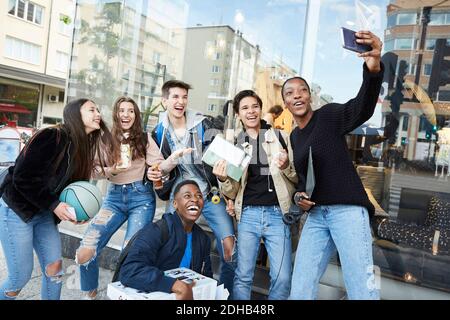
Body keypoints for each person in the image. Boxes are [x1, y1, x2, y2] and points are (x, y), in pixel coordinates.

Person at [283, 31, 384, 300]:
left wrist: (373, 68)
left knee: (361, 290)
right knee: (300, 287)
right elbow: (304, 181)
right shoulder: (294, 136)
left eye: (303, 90)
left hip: (347, 211)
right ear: (286, 103)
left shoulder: (327, 116)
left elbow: (362, 108)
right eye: (291, 92)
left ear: (310, 97)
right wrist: (299, 196)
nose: (298, 95)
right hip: (316, 216)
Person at [0, 98, 113, 300]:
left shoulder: (82, 148)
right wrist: (55, 204)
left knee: (55, 269)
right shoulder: (52, 136)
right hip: (17, 211)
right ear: (75, 115)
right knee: (19, 278)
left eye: (98, 110)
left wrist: (78, 213)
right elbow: (22, 177)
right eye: (92, 110)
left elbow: (72, 190)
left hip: (44, 214)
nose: (98, 114)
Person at [149, 80, 236, 297]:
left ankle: (223, 294)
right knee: (169, 245)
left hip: (208, 195)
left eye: (184, 97)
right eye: (175, 97)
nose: (181, 102)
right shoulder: (158, 133)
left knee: (229, 247)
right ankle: (173, 292)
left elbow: (224, 155)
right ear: (165, 100)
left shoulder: (203, 125)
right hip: (180, 198)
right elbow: (158, 172)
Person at [76, 96, 164, 299]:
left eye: (131, 111)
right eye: (122, 110)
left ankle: (120, 294)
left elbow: (159, 163)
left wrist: (157, 169)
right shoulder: (105, 138)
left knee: (129, 255)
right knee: (85, 251)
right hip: (113, 199)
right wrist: (112, 170)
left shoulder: (144, 138)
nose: (126, 114)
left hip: (141, 199)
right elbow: (94, 170)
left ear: (136, 115)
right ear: (116, 114)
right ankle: (89, 293)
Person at [212, 90, 297, 300]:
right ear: (238, 114)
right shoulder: (233, 145)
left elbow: (296, 179)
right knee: (243, 277)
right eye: (245, 108)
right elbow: (232, 190)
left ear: (260, 109)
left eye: (254, 106)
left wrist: (286, 166)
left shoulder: (281, 138)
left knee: (283, 277)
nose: (251, 111)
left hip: (278, 215)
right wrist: (223, 179)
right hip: (248, 214)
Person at [119, 180, 212, 300]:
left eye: (199, 196)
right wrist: (176, 285)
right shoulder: (156, 230)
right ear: (175, 204)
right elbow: (130, 270)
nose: (195, 200)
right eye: (187, 196)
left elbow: (207, 277)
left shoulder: (203, 239)